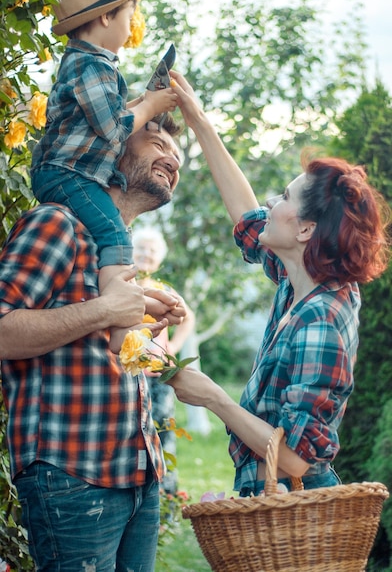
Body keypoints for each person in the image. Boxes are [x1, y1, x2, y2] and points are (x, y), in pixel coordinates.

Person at [168, 72, 391, 495]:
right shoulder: (302, 280)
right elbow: (246, 216)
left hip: (295, 517)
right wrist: (197, 120)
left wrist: (215, 398)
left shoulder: (320, 320)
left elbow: (295, 460)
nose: (271, 202)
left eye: (284, 197)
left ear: (306, 230)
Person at [0, 114, 185, 571]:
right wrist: (105, 311)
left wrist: (142, 327)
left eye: (178, 155)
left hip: (138, 476)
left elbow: (94, 353)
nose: (173, 159)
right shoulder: (57, 223)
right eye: (156, 140)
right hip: (72, 475)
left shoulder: (115, 252)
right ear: (111, 148)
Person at [30, 0, 178, 353]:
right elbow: (113, 129)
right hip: (66, 173)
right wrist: (148, 107)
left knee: (110, 233)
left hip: (70, 171)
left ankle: (125, 313)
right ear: (107, 18)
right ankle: (119, 324)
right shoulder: (89, 65)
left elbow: (105, 118)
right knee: (113, 232)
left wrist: (145, 102)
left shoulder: (94, 66)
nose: (132, 28)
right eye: (130, 17)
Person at [132, 226, 195, 494]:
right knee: (134, 436)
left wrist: (174, 349)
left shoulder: (163, 290)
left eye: (153, 250)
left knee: (163, 433)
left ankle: (166, 499)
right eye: (141, 248)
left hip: (158, 375)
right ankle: (136, 489)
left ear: (160, 258)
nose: (147, 254)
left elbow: (188, 318)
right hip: (127, 372)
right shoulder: (124, 286)